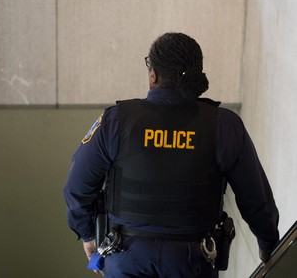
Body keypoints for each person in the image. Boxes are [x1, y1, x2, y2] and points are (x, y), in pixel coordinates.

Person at [63, 32, 279, 277]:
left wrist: (87, 234)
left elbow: (76, 187)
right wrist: (268, 243)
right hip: (193, 260)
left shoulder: (116, 120)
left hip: (126, 256)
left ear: (153, 74)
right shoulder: (224, 126)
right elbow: (255, 197)